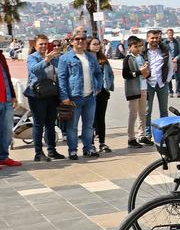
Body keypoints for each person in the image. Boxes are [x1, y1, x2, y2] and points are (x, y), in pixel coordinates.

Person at [57, 30, 103, 160]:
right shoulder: (65, 58)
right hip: (74, 97)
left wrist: (98, 87)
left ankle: (88, 148)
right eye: (77, 39)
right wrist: (64, 97)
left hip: (90, 97)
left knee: (88, 125)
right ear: (72, 42)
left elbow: (98, 73)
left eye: (83, 39)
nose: (80, 41)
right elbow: (62, 78)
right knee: (72, 126)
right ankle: (72, 150)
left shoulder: (90, 57)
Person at [25, 35, 64, 161]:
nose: (43, 46)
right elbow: (34, 70)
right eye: (41, 44)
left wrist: (57, 57)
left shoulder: (53, 57)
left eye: (46, 44)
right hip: (37, 95)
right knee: (38, 124)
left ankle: (52, 150)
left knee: (50, 124)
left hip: (52, 94)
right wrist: (46, 60)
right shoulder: (32, 57)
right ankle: (38, 153)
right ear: (35, 46)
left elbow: (60, 72)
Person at [142, 29, 172, 144]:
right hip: (148, 83)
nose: (154, 40)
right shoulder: (143, 51)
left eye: (156, 38)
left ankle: (164, 132)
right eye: (152, 38)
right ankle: (148, 134)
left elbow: (170, 66)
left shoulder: (164, 50)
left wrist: (167, 80)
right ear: (147, 39)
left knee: (164, 110)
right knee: (147, 111)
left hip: (162, 84)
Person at [88, 37, 114, 153]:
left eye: (98, 44)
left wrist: (107, 87)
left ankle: (102, 143)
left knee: (101, 118)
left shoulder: (103, 59)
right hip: (90, 92)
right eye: (94, 44)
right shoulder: (86, 59)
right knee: (91, 119)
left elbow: (110, 74)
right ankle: (90, 144)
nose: (97, 46)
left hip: (102, 92)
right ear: (88, 45)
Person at [123, 36, 149, 148]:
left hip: (143, 88)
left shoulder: (141, 57)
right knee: (133, 115)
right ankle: (131, 138)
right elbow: (125, 74)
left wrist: (146, 72)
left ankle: (142, 135)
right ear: (129, 47)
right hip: (134, 90)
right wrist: (139, 72)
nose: (138, 48)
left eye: (140, 46)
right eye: (135, 46)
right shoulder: (128, 58)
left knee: (142, 114)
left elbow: (145, 73)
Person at [0, 47, 21, 169]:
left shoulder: (1, 56)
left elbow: (7, 76)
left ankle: (3, 157)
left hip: (6, 100)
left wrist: (13, 96)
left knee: (7, 131)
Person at [164, 28, 180, 97]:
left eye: (171, 33)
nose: (170, 34)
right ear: (167, 34)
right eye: (169, 33)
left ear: (173, 34)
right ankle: (170, 91)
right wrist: (169, 58)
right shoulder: (164, 43)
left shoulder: (177, 42)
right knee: (169, 77)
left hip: (176, 61)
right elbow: (163, 52)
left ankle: (178, 91)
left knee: (177, 77)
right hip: (168, 61)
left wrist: (177, 58)